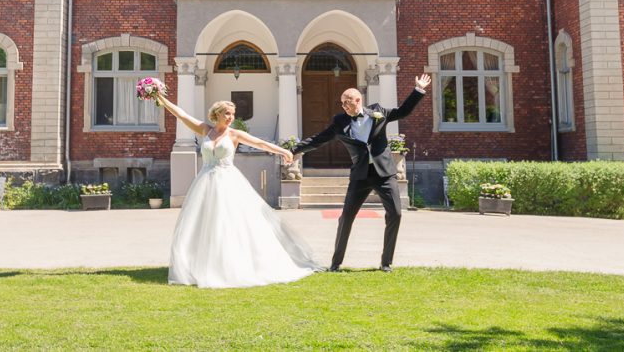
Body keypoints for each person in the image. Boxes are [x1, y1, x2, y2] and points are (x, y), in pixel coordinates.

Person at [154, 92, 321, 288]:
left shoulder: (234, 134)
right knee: (204, 223)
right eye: (227, 113)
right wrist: (161, 99)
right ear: (216, 114)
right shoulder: (205, 130)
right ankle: (203, 265)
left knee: (229, 223)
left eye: (232, 114)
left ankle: (233, 264)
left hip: (228, 182)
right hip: (205, 182)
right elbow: (181, 115)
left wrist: (283, 150)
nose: (231, 117)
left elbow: (259, 143)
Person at [292, 73, 430, 272]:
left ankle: (386, 263)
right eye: (342, 103)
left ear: (358, 100)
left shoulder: (378, 112)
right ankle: (335, 263)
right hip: (360, 175)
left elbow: (403, 111)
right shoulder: (340, 122)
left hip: (384, 174)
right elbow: (318, 139)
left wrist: (418, 90)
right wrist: (293, 150)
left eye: (347, 102)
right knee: (346, 217)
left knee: (396, 214)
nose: (344, 106)